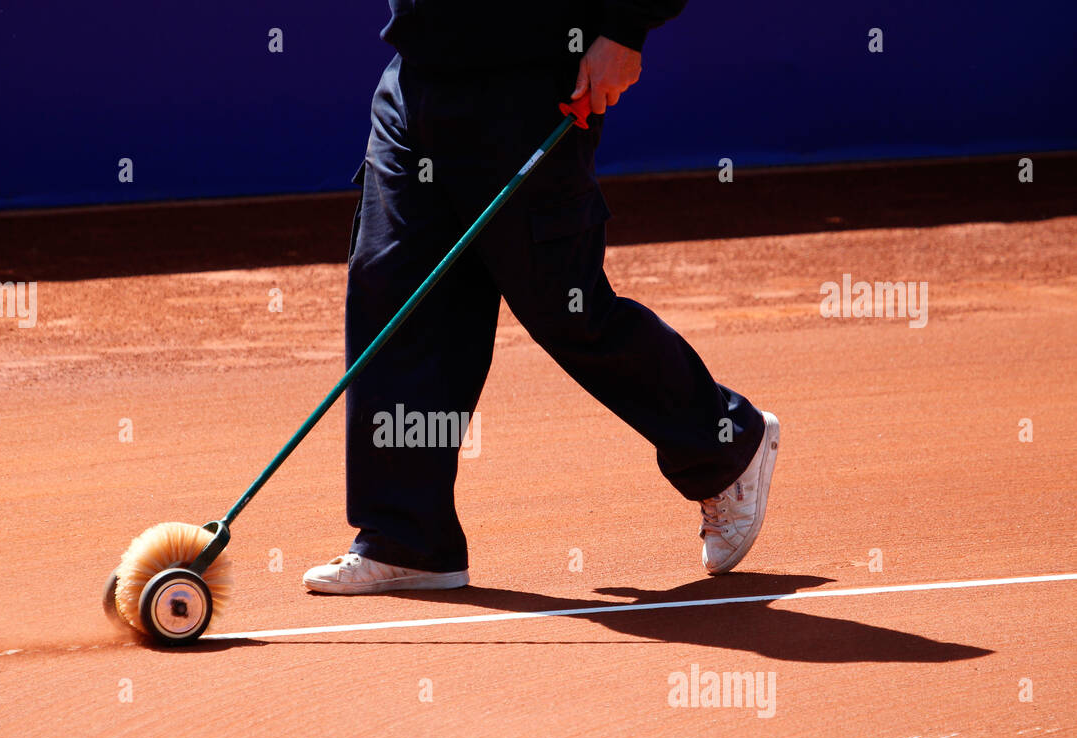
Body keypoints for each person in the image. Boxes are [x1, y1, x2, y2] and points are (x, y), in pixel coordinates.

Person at [304, 0, 778, 595]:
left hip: (529, 84)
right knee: (395, 293)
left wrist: (626, 29)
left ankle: (725, 444)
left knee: (565, 303)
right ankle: (408, 536)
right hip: (416, 77)